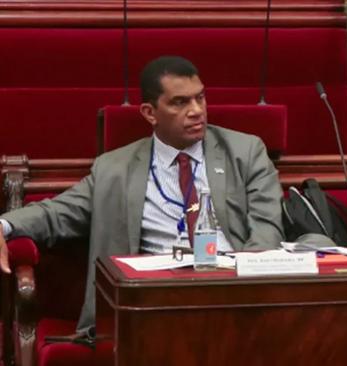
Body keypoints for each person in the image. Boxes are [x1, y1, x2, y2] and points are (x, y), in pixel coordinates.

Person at [0, 56, 284, 333]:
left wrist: (243, 289)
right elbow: (57, 213)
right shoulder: (114, 169)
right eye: (180, 102)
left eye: (201, 97)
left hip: (233, 299)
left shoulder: (245, 152)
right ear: (150, 113)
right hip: (151, 306)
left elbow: (266, 230)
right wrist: (3, 226)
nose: (197, 110)